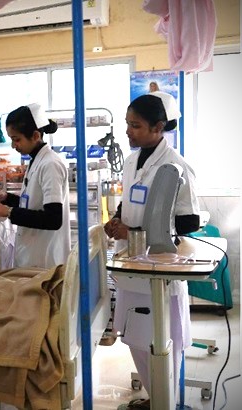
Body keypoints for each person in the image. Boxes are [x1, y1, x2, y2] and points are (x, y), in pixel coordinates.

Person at [104, 91, 200, 410]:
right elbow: (129, 199)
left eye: (136, 126)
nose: (128, 132)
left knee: (163, 344)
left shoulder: (176, 166)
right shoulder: (132, 161)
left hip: (160, 270)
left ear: (159, 127)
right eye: (128, 124)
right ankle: (153, 396)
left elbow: (187, 222)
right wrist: (117, 219)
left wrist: (137, 233)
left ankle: (165, 402)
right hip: (132, 267)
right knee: (136, 339)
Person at [0, 103, 71, 269]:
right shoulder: (36, 160)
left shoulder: (50, 164)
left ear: (35, 135)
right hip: (31, 254)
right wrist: (7, 199)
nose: (13, 146)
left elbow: (53, 219)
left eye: (16, 139)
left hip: (46, 259)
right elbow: (32, 204)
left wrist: (9, 212)